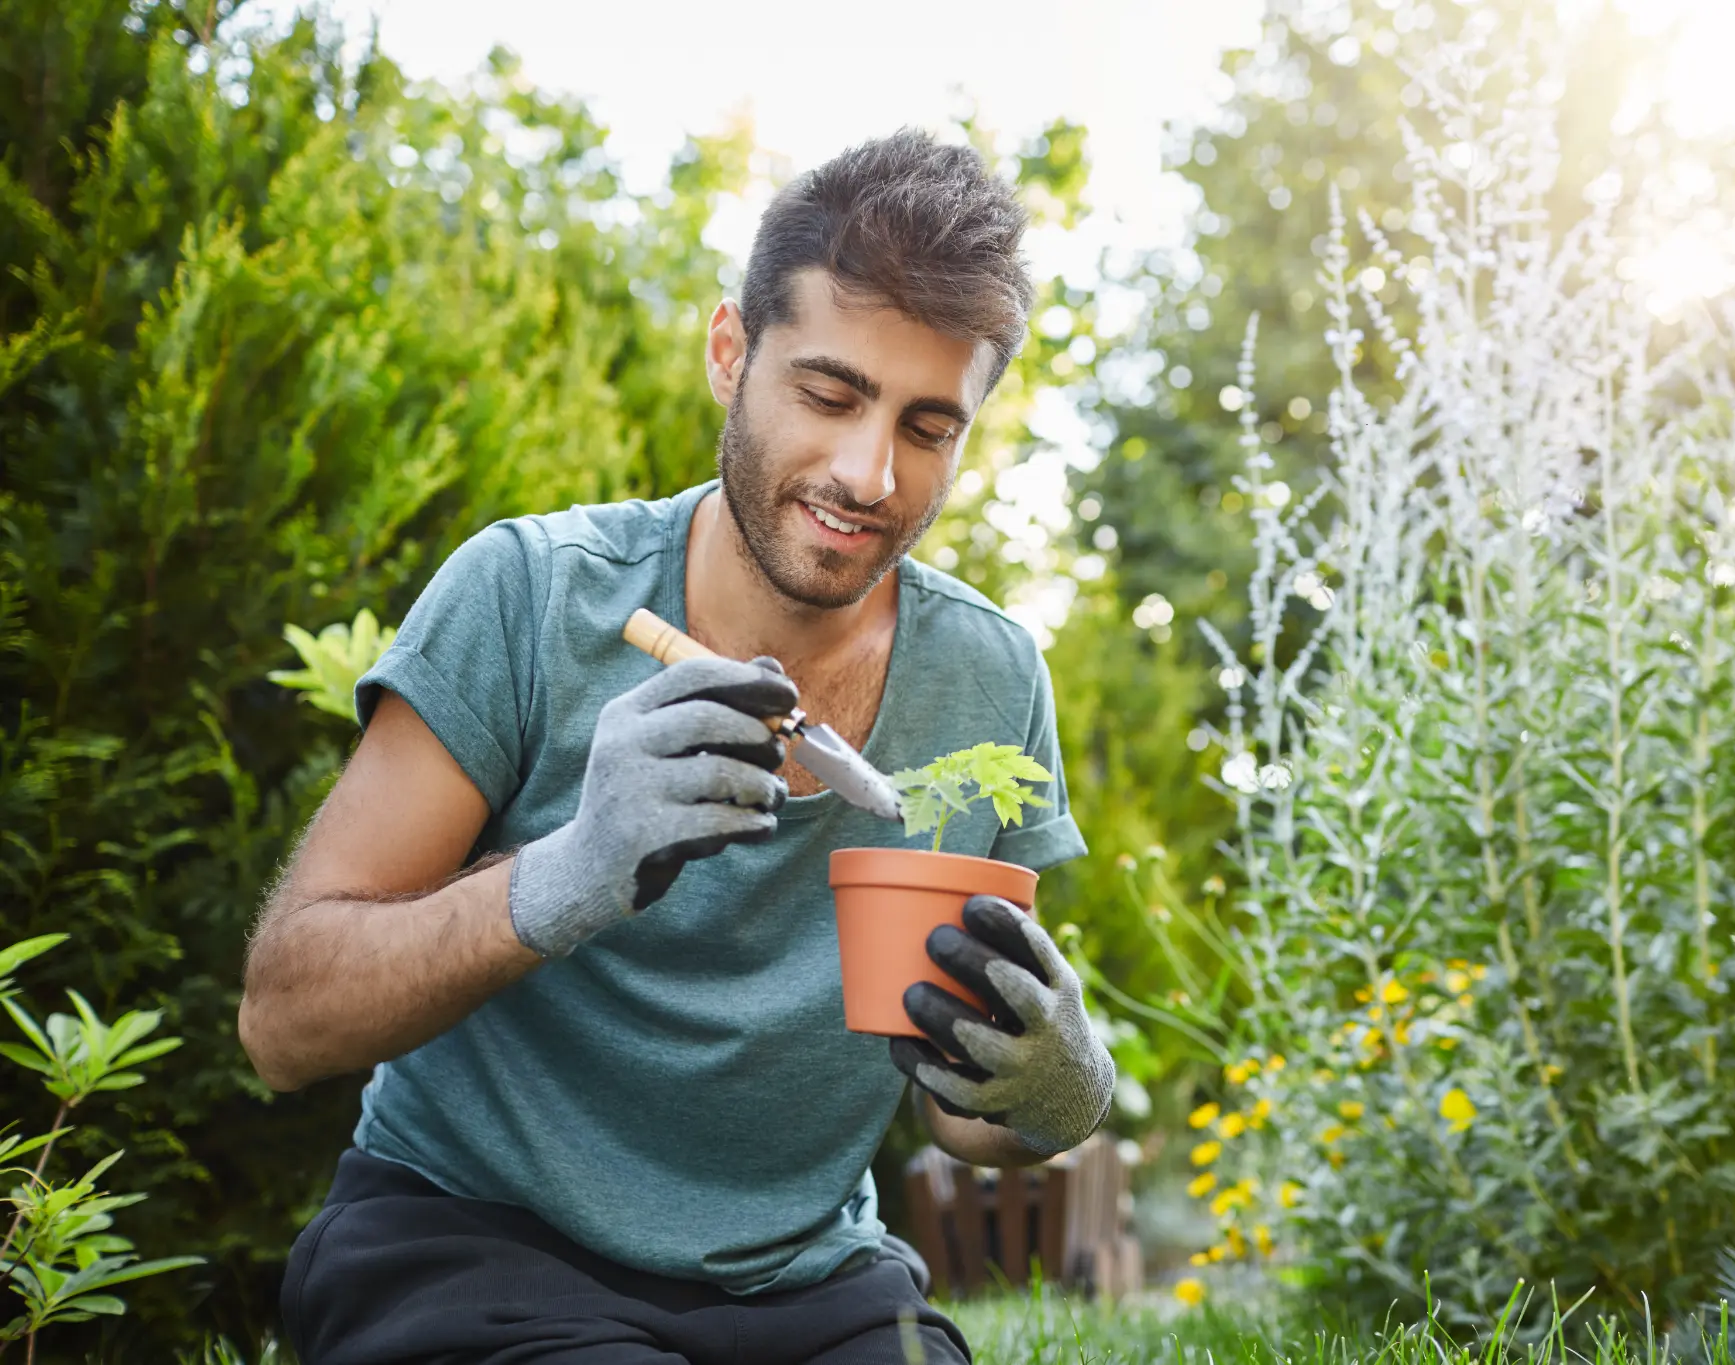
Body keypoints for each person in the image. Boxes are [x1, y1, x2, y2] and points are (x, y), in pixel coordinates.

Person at [238, 129, 1116, 1365]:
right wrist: (568, 870)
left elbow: (956, 1109)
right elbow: (283, 1021)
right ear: (728, 354)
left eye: (927, 426)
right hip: (477, 1249)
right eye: (828, 394)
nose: (868, 474)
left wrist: (1056, 1088)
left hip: (810, 1279)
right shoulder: (528, 598)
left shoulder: (989, 677)